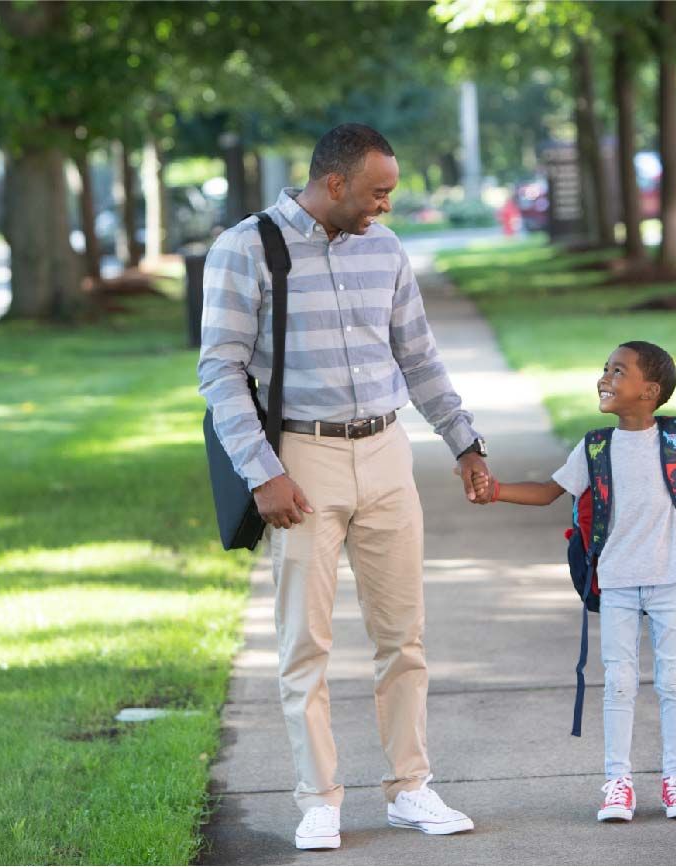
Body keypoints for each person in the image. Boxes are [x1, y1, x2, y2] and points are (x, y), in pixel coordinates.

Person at [197, 123, 487, 850]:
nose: (385, 206)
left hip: (386, 450)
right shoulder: (247, 248)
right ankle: (319, 798)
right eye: (377, 191)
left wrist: (464, 441)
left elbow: (417, 357)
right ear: (334, 183)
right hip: (301, 458)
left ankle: (410, 787)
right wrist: (262, 471)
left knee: (403, 637)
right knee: (306, 643)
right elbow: (220, 370)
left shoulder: (384, 250)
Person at [469, 341, 676, 822]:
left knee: (673, 680)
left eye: (618, 371)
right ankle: (618, 783)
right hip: (618, 583)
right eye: (605, 368)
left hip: (673, 578)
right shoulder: (595, 446)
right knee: (619, 684)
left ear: (649, 391)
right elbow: (549, 493)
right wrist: (496, 492)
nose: (605, 377)